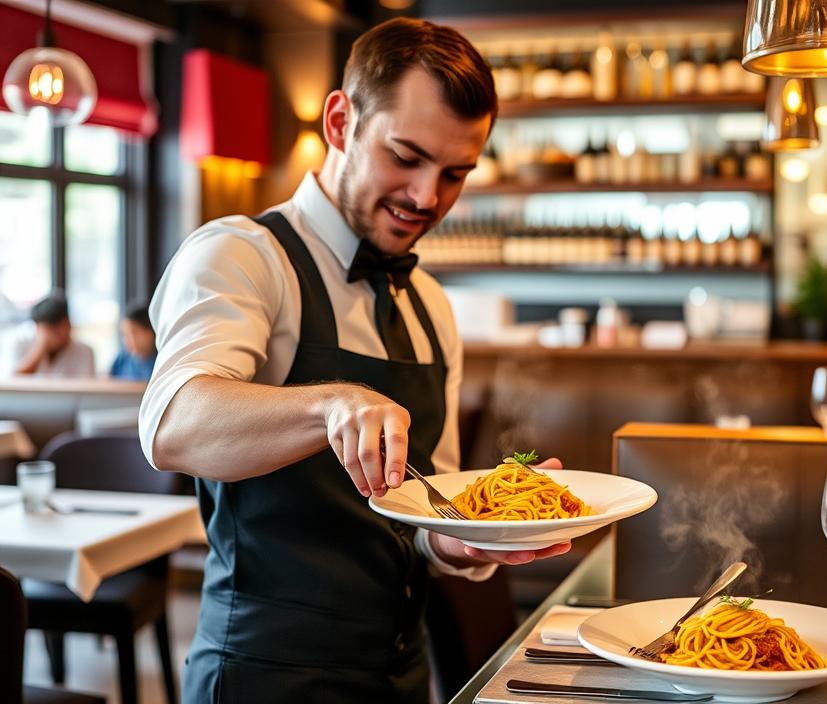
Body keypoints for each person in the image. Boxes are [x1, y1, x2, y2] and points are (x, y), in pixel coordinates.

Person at [140, 18, 571, 703]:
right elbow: (171, 425)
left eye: (455, 173)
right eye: (405, 155)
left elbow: (431, 504)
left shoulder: (430, 302)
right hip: (264, 678)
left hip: (401, 675)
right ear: (340, 122)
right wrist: (332, 401)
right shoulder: (243, 255)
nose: (428, 198)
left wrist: (466, 543)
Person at [0, 292, 94, 377]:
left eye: (59, 328)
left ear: (69, 324)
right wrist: (41, 347)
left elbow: (84, 390)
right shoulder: (18, 340)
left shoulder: (84, 351)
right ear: (37, 327)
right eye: (50, 330)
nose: (56, 335)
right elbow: (10, 382)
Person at [109, 303, 157, 381]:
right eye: (124, 335)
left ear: (150, 331)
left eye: (134, 333)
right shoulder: (122, 358)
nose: (127, 340)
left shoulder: (161, 360)